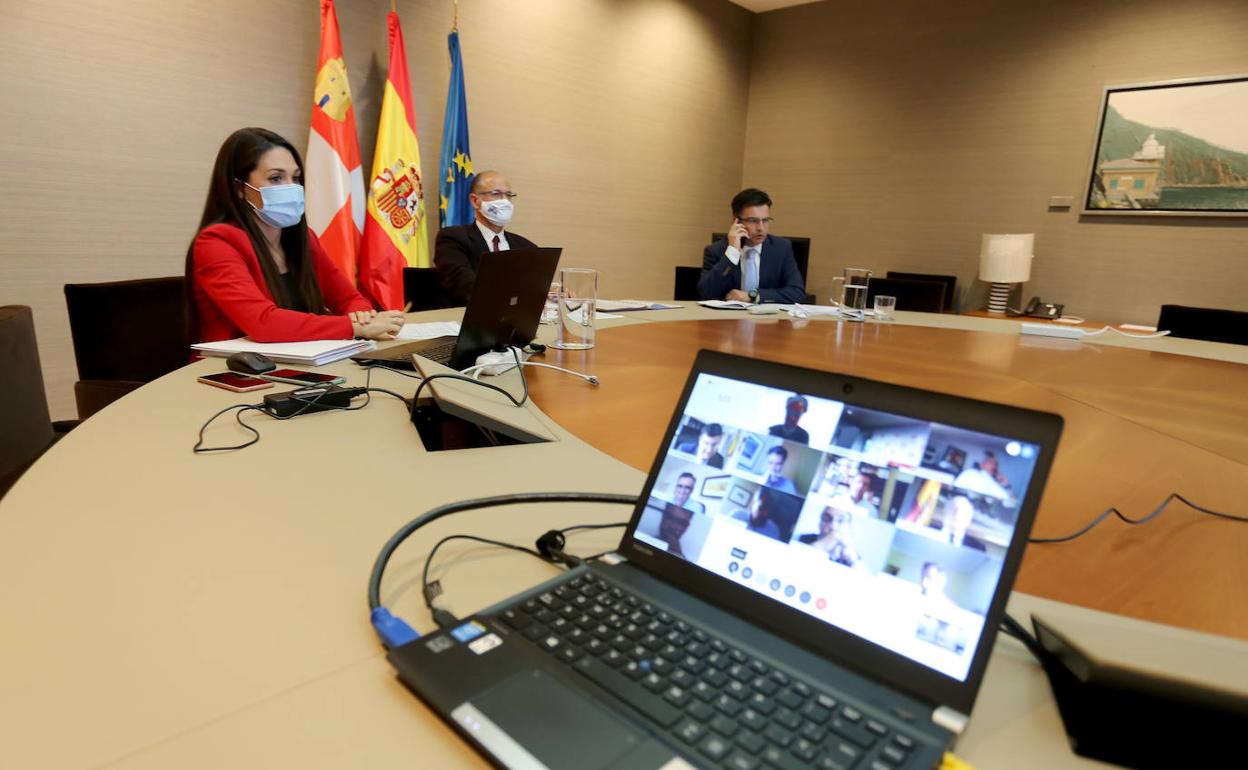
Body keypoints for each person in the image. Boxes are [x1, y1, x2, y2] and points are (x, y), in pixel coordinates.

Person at [186, 127, 404, 343]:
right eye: (276, 178)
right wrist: (353, 327)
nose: (291, 188)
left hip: (297, 364)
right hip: (232, 371)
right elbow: (264, 324)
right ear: (239, 189)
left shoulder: (303, 238)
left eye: (296, 178)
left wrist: (362, 315)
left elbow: (349, 299)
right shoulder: (216, 243)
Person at [433, 170, 538, 307]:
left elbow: (535, 288)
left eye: (508, 195)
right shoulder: (453, 238)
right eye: (496, 194)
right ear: (475, 201)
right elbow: (463, 285)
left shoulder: (527, 248)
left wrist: (550, 292)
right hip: (467, 320)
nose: (504, 201)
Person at [697, 188, 806, 304]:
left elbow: (797, 293)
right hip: (728, 319)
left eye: (765, 220)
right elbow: (706, 293)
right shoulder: (717, 250)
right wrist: (732, 252)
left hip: (767, 320)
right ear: (737, 222)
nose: (761, 228)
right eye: (753, 221)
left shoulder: (781, 248)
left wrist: (752, 296)